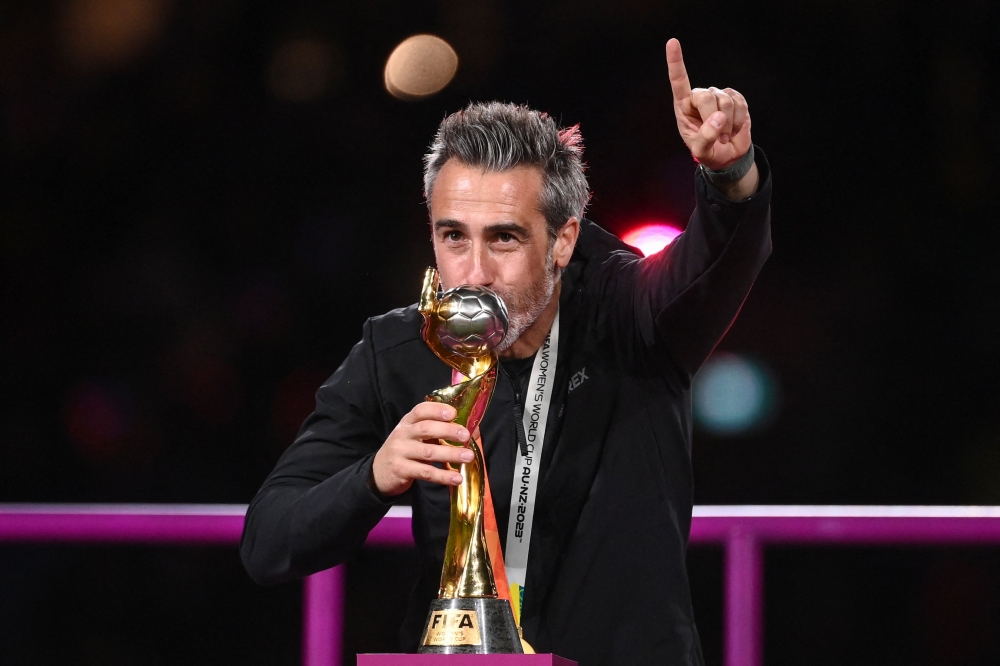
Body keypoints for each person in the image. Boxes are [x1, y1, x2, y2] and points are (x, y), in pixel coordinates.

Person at [241, 38, 772, 665]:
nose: (475, 272)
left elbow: (714, 264)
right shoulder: (400, 347)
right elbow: (269, 542)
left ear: (564, 238)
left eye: (505, 238)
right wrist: (374, 477)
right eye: (453, 237)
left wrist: (729, 178)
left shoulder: (631, 312)